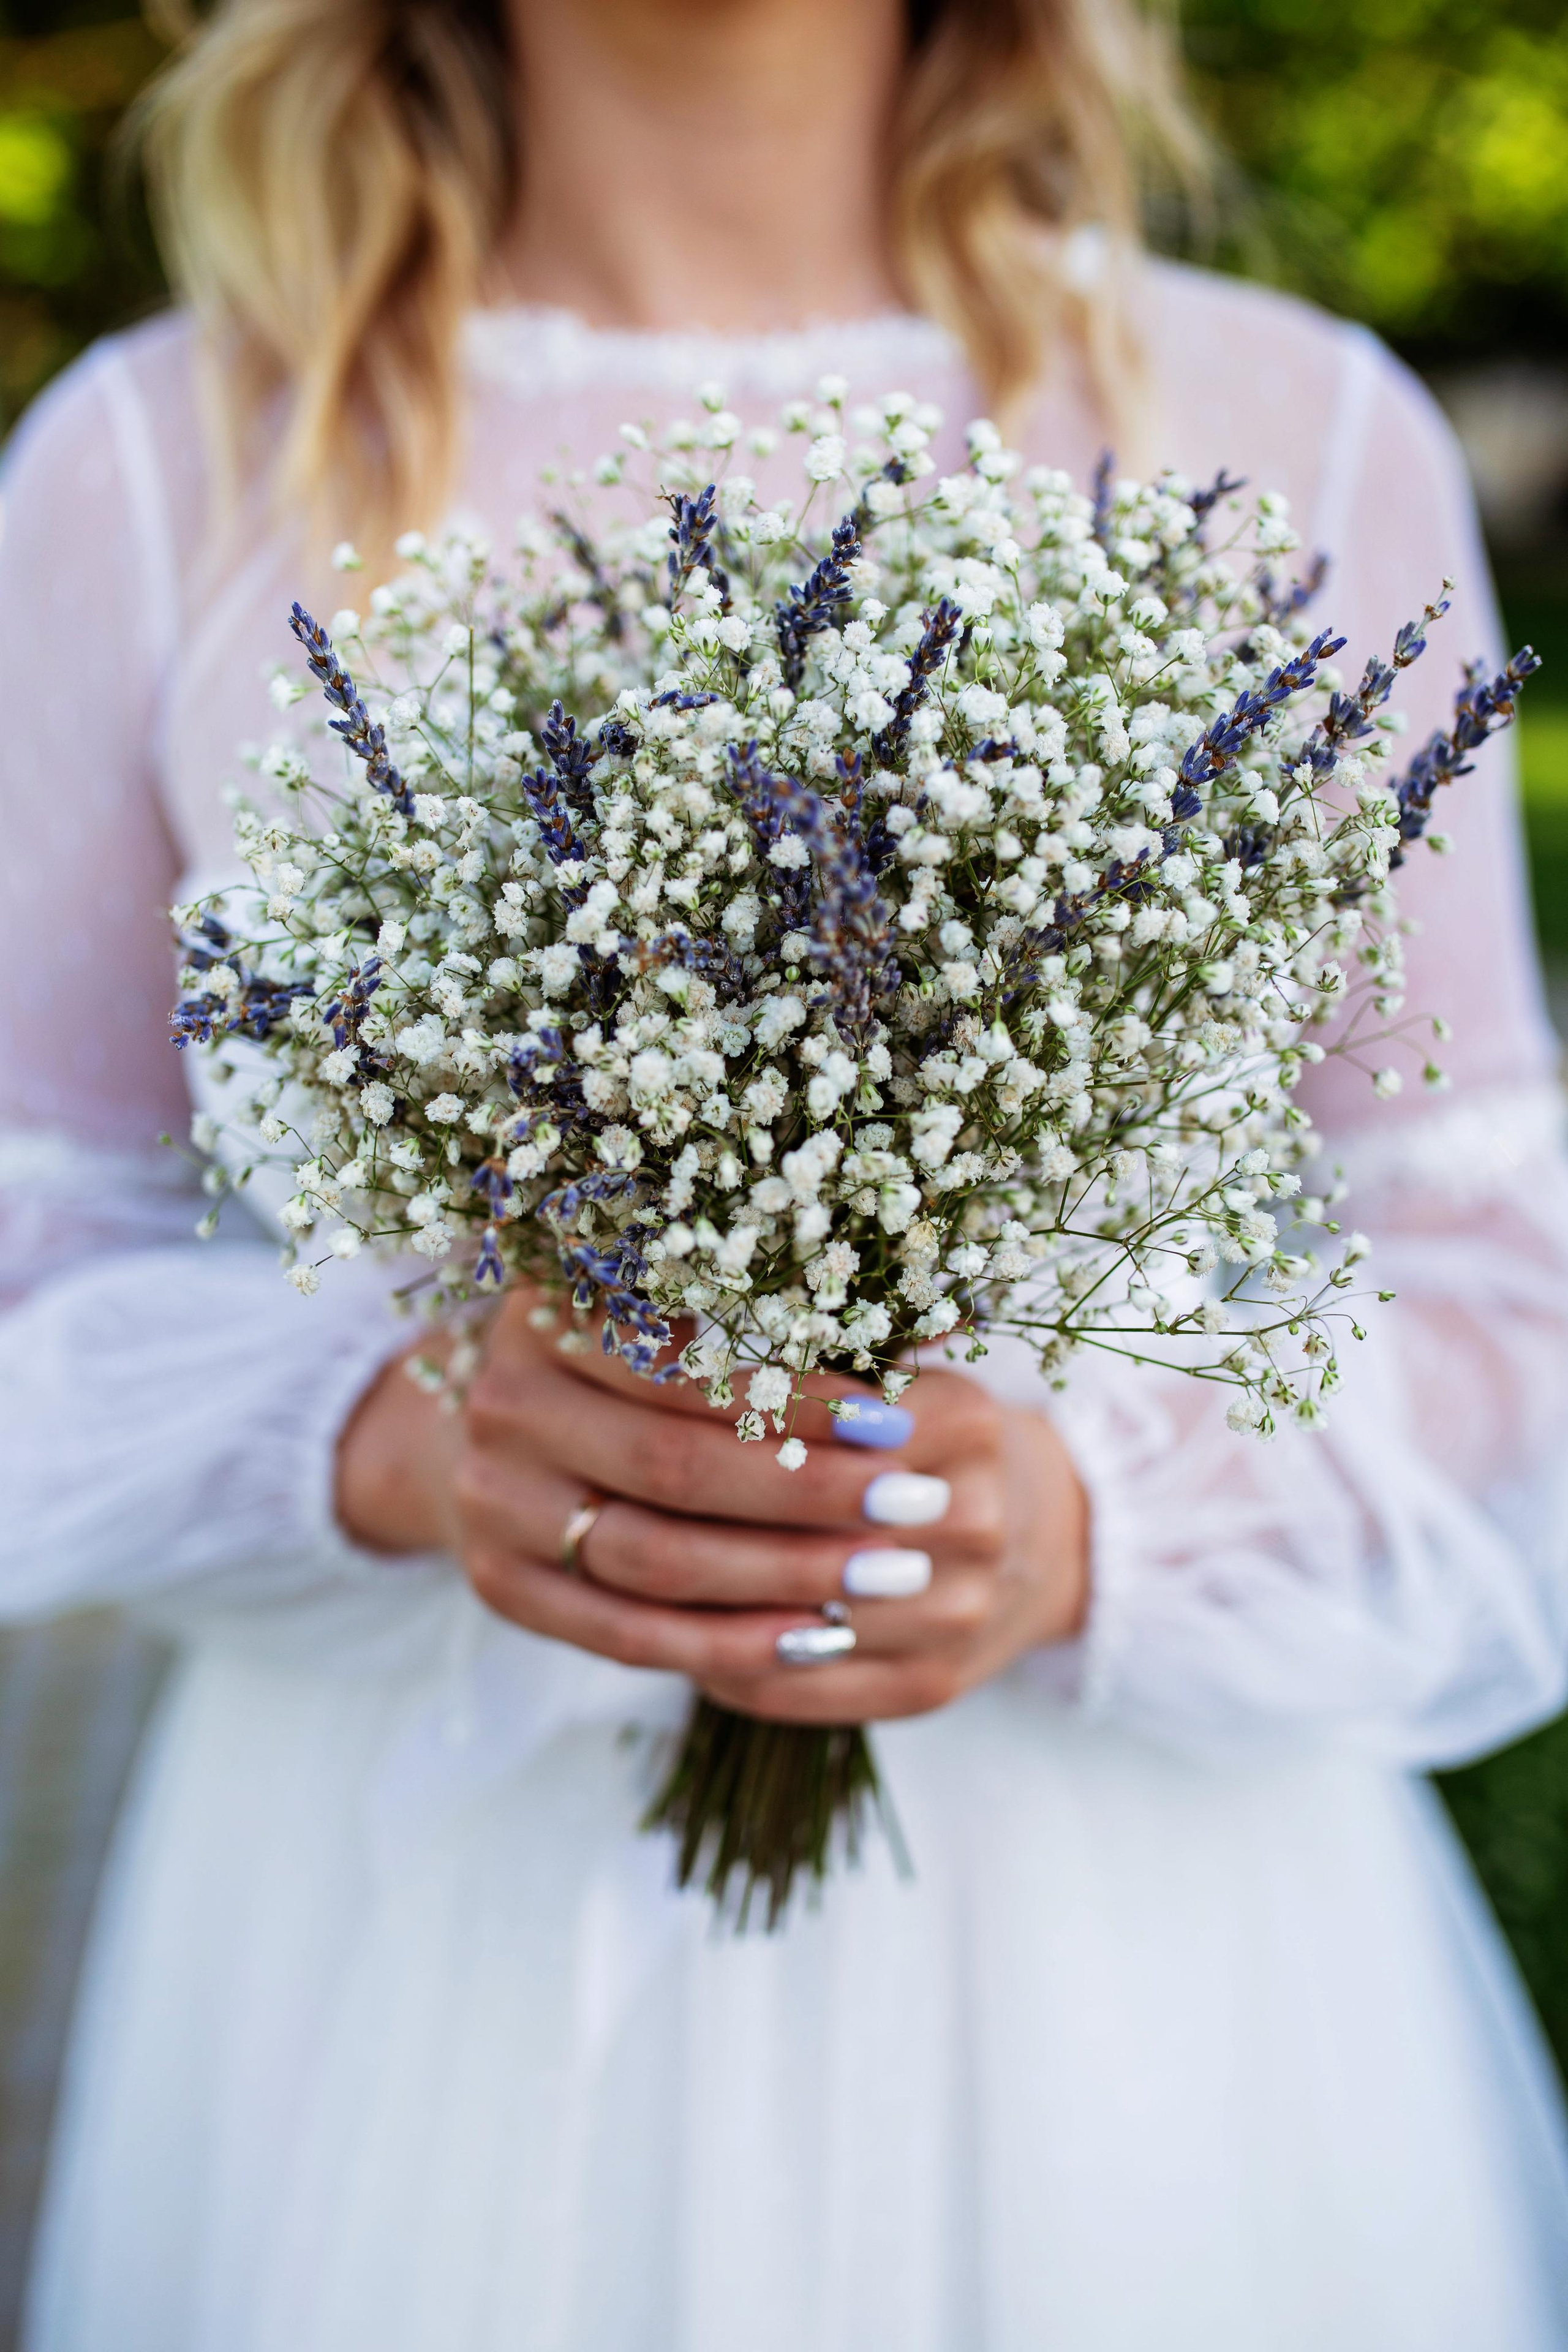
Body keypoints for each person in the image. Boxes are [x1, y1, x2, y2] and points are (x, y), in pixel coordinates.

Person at [3, 1, 1567, 2344]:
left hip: (1129, 1993)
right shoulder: (161, 457)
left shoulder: (1288, 423)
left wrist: (1075, 1524)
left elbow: (1501, 1283)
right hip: (403, 1965)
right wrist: (394, 1441)